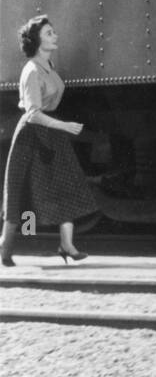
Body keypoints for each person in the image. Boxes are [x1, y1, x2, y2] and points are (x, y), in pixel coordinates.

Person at [1, 15, 97, 267]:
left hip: (51, 132)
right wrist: (64, 126)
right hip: (32, 134)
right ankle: (4, 246)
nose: (55, 36)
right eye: (49, 33)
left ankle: (67, 245)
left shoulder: (47, 65)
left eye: (54, 32)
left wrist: (59, 127)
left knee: (66, 184)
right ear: (36, 41)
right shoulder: (31, 70)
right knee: (19, 191)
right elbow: (32, 113)